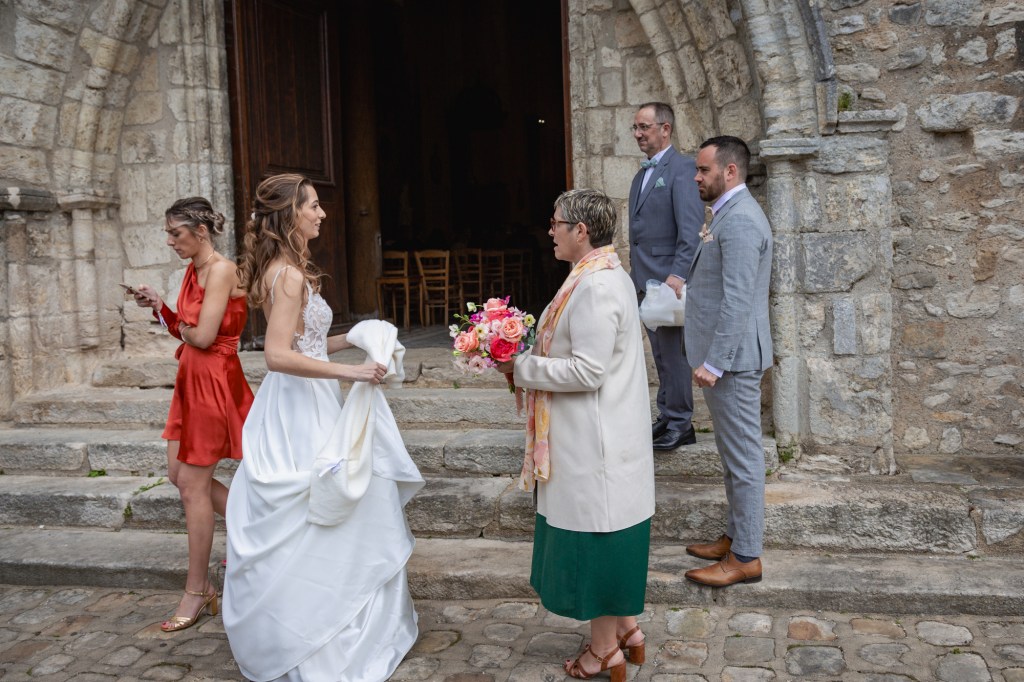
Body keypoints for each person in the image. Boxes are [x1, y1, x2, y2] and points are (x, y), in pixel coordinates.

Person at [223, 173, 422, 681]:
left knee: (332, 506)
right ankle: (315, 636)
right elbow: (277, 355)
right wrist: (351, 372)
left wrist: (355, 338)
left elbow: (305, 344)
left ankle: (325, 621)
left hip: (307, 397)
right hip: (298, 408)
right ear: (290, 213)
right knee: (321, 511)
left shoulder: (288, 269)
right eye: (312, 205)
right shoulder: (288, 276)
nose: (322, 213)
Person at [498, 189, 654, 680]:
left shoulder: (596, 286)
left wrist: (521, 367)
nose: (550, 231)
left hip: (595, 439)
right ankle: (627, 629)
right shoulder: (598, 275)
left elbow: (587, 370)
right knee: (608, 534)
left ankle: (603, 651)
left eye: (556, 223)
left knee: (597, 541)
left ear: (581, 230)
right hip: (599, 433)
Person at [131, 197, 254, 632]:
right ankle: (260, 518)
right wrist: (160, 305)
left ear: (201, 232)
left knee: (192, 486)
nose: (170, 241)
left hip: (213, 381)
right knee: (178, 476)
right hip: (191, 379)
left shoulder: (222, 269)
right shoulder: (192, 269)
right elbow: (187, 331)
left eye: (175, 233)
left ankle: (198, 590)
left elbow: (202, 336)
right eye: (168, 233)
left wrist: (183, 327)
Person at [683, 136, 773, 587]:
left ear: (730, 171)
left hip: (733, 363)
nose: (696, 177)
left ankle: (746, 556)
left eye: (704, 170)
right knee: (732, 455)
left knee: (743, 458)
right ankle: (736, 537)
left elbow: (737, 300)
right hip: (727, 360)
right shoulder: (726, 214)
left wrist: (715, 362)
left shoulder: (739, 221)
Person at [628, 102, 705, 450]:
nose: (638, 134)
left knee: (674, 355)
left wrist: (678, 274)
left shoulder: (683, 168)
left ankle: (681, 423)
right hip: (645, 279)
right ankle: (667, 414)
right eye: (635, 128)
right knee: (660, 355)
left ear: (665, 129)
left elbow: (690, 229)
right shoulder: (641, 174)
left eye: (644, 127)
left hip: (668, 282)